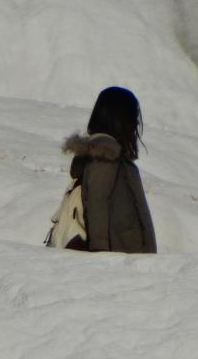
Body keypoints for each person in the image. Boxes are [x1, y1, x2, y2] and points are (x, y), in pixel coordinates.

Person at [62, 86, 157, 253]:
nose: (135, 125)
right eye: (132, 118)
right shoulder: (105, 156)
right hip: (118, 258)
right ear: (121, 119)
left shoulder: (109, 156)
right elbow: (97, 205)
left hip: (121, 257)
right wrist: (102, 257)